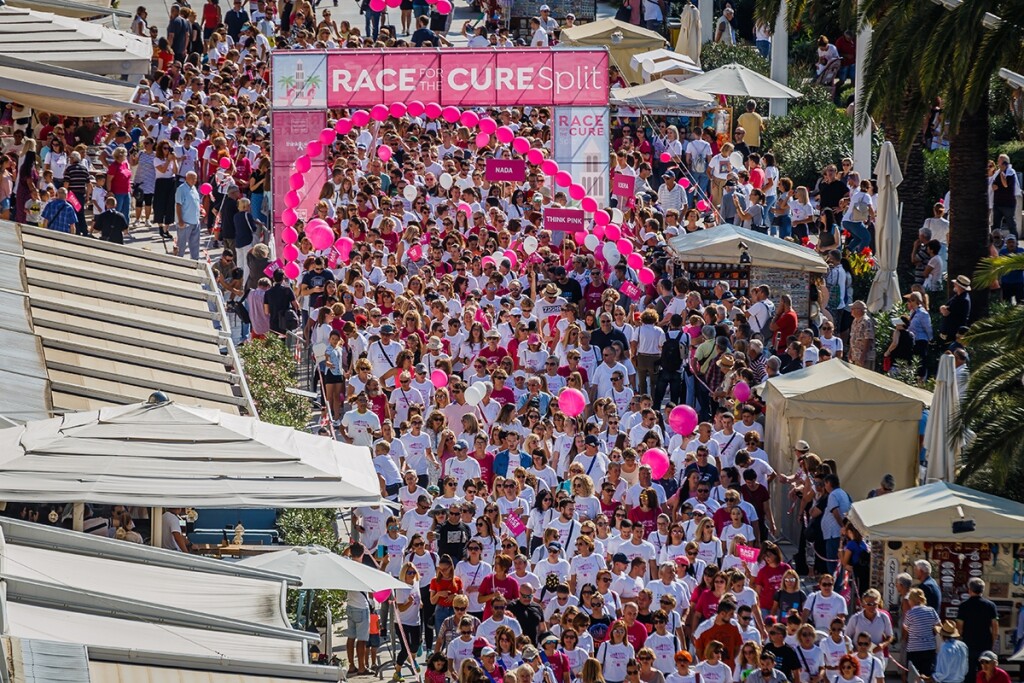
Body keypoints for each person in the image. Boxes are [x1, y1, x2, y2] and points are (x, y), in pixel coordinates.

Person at [956, 578, 998, 683]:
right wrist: (992, 642)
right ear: (982, 590)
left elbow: (959, 627)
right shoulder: (990, 606)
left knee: (968, 673)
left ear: (969, 590)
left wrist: (959, 640)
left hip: (968, 644)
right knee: (985, 673)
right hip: (985, 643)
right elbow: (995, 626)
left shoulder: (963, 606)